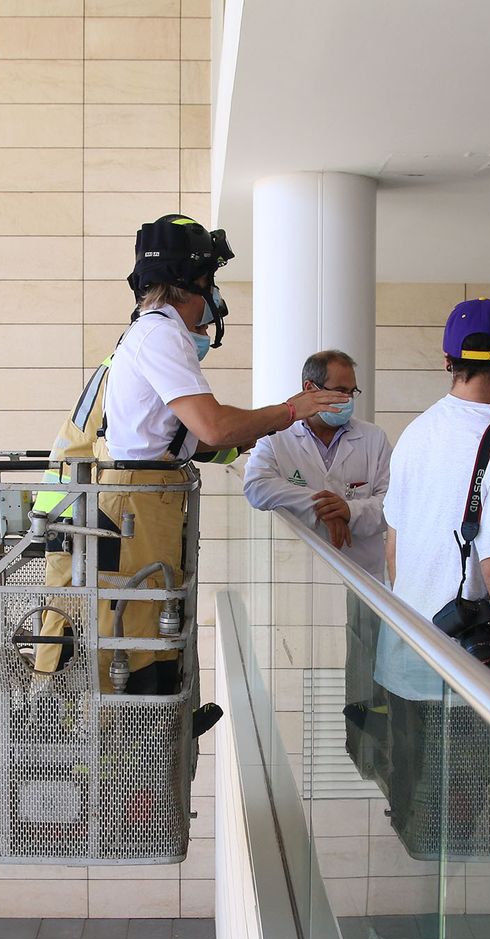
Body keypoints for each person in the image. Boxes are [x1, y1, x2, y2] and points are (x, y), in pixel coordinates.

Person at [87, 215, 349, 710]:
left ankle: (155, 754)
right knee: (141, 645)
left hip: (146, 504)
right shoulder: (161, 336)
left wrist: (261, 434)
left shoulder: (150, 335)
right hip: (136, 510)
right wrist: (290, 410)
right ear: (189, 284)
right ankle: (140, 773)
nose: (213, 298)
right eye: (209, 282)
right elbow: (213, 426)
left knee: (157, 630)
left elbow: (194, 438)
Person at [375, 297, 490, 700]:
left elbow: (394, 549)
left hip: (405, 648)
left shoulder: (416, 431)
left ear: (448, 358)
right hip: (467, 667)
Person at [244, 349, 391, 709]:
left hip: (362, 576)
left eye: (352, 393)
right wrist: (320, 505)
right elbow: (256, 488)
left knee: (362, 674)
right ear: (310, 388)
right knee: (303, 675)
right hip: (300, 580)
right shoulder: (276, 437)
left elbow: (392, 504)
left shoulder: (373, 439)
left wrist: (350, 510)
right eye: (340, 390)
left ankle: (360, 731)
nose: (347, 400)